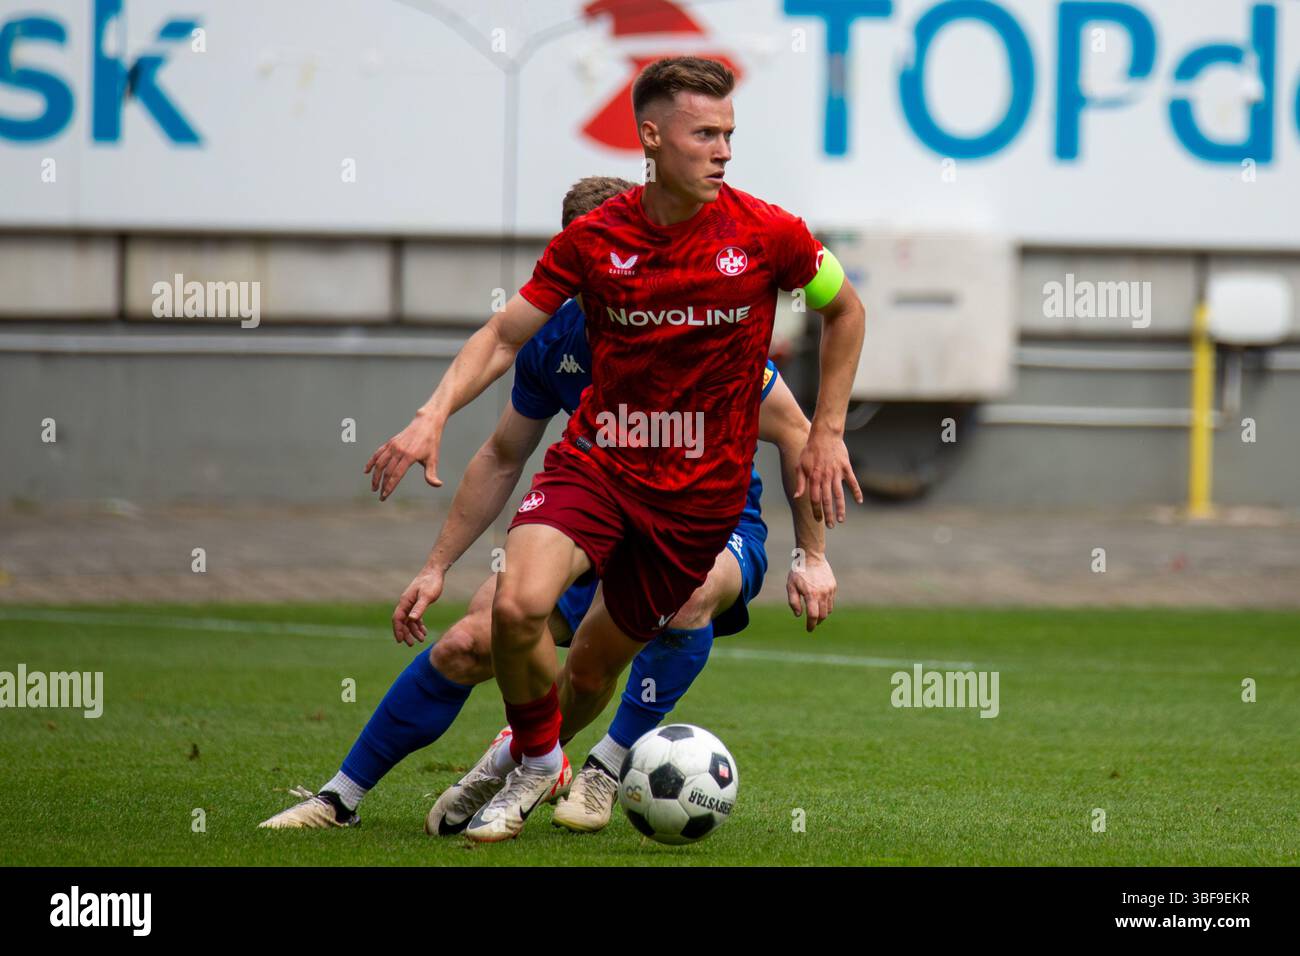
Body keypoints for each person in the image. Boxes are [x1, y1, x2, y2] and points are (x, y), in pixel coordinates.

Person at [364, 56, 863, 843]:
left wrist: (829, 431)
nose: (723, 150)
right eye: (706, 133)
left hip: (696, 505)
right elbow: (503, 334)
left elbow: (847, 310)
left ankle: (556, 756)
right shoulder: (596, 240)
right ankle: (535, 760)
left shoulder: (769, 233)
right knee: (515, 605)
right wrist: (433, 413)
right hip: (597, 464)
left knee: (592, 671)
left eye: (729, 133)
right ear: (653, 136)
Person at [258, 176, 837, 834]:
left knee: (684, 600)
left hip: (712, 520)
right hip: (603, 509)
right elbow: (504, 454)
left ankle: (600, 765)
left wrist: (811, 556)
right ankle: (342, 797)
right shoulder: (553, 338)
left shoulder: (699, 332)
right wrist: (436, 565)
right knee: (473, 638)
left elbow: (795, 431)